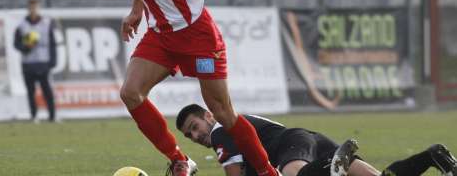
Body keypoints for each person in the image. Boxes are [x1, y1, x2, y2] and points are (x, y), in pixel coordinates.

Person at [99, 0, 278, 176]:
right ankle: (179, 158)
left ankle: (269, 173)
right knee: (131, 93)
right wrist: (136, 11)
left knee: (222, 112)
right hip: (161, 35)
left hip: (197, 34)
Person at [176, 103, 457, 176]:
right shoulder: (228, 129)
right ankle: (433, 155)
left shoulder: (220, 130)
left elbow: (234, 173)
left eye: (195, 126)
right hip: (312, 141)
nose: (197, 135)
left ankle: (330, 167)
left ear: (208, 115)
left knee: (296, 175)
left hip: (292, 145)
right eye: (190, 135)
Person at [14, 0, 57, 123]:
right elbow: (16, 44)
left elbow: (52, 43)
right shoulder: (22, 25)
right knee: (31, 91)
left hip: (43, 62)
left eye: (35, 7)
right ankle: (34, 116)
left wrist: (53, 61)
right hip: (28, 63)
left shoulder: (46, 23)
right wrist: (26, 47)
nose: (33, 10)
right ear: (28, 9)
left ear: (38, 8)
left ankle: (52, 116)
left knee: (47, 91)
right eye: (31, 7)